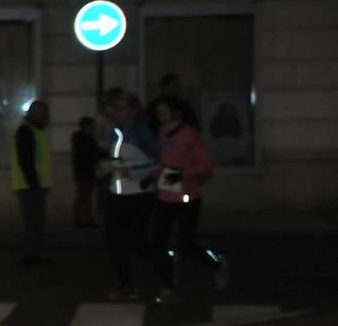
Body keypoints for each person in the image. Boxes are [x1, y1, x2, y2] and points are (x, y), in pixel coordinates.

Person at [150, 97, 230, 304]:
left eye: (164, 112)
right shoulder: (159, 134)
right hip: (164, 196)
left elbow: (205, 165)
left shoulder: (188, 134)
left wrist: (180, 175)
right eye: (158, 113)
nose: (160, 117)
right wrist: (154, 176)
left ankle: (216, 264)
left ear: (175, 113)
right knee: (159, 242)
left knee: (187, 244)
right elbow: (161, 164)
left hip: (187, 196)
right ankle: (168, 286)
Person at [99, 88, 160, 300]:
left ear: (133, 110)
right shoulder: (114, 131)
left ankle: (165, 259)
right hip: (116, 193)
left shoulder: (141, 132)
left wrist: (131, 170)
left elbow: (159, 161)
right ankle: (127, 286)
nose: (117, 111)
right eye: (114, 107)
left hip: (139, 194)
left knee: (136, 241)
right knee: (113, 242)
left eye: (122, 107)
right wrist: (106, 167)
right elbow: (117, 160)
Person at [11, 100, 52, 266]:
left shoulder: (31, 130)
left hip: (33, 184)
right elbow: (26, 160)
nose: (47, 119)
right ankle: (31, 255)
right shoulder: (27, 131)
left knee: (35, 221)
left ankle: (34, 254)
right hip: (31, 185)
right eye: (44, 115)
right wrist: (33, 183)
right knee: (34, 222)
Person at [71, 116, 102, 228]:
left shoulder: (83, 139)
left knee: (86, 197)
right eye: (92, 127)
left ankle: (84, 219)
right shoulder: (84, 140)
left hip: (85, 172)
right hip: (84, 173)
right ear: (85, 127)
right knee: (83, 197)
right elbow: (91, 155)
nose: (93, 129)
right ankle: (81, 219)